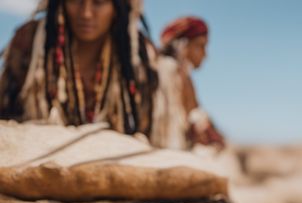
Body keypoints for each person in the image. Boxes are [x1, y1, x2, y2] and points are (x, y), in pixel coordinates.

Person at [0, 0, 157, 136]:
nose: (86, 13)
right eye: (75, 0)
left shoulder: (139, 57)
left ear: (118, 7)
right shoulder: (30, 42)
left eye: (99, 2)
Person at [151, 16, 225, 151]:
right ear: (183, 45)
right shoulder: (167, 70)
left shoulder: (184, 77)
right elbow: (166, 133)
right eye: (200, 46)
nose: (205, 54)